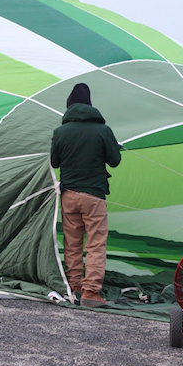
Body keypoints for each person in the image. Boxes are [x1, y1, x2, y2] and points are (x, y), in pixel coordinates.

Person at [51, 83, 122, 307]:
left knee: (72, 244)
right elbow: (115, 161)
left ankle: (74, 286)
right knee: (95, 244)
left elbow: (54, 162)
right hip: (94, 196)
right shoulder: (103, 130)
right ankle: (91, 292)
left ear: (69, 106)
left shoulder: (60, 132)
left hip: (69, 195)